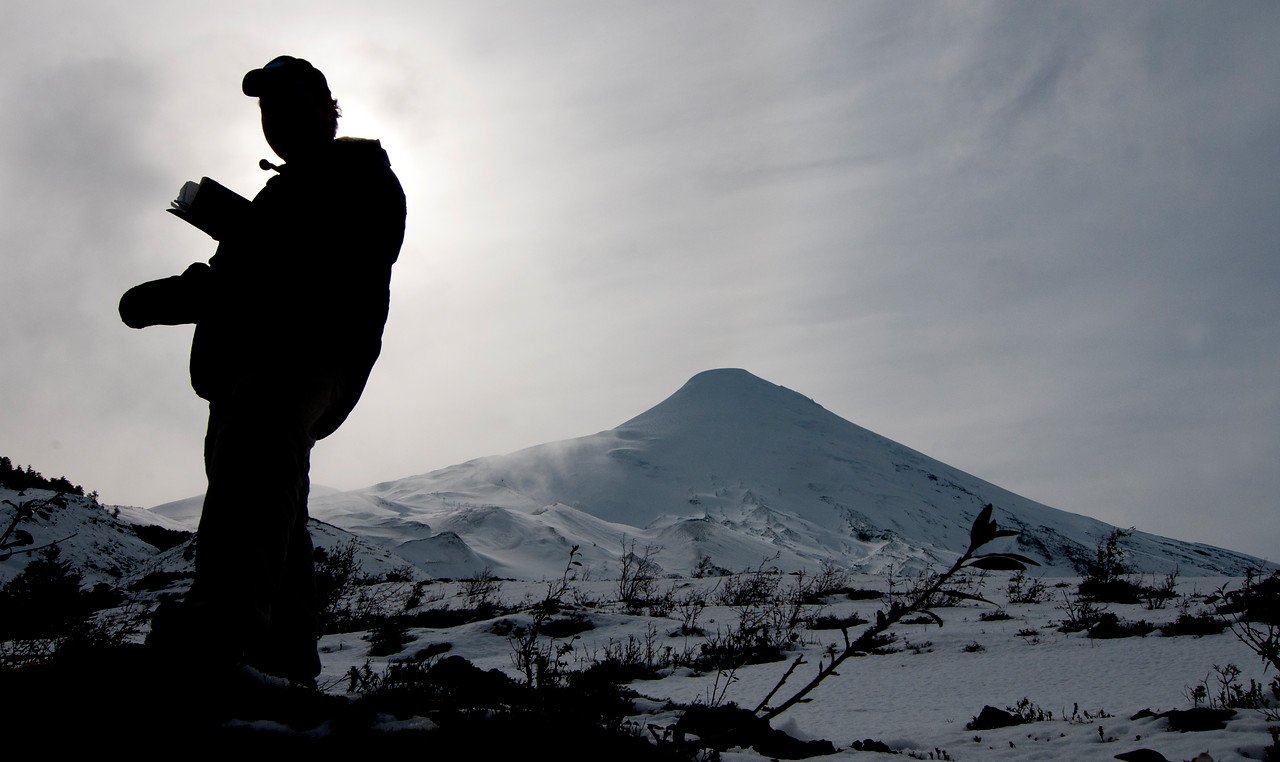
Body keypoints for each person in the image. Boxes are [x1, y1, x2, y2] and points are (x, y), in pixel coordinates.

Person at [120, 56, 406, 685]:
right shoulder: (283, 191)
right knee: (271, 501)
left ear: (327, 109)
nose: (275, 120)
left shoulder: (361, 176)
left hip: (304, 357)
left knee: (250, 478)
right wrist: (179, 292)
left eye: (291, 105)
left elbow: (329, 267)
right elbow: (236, 281)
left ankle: (219, 638)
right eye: (266, 110)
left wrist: (226, 255)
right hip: (250, 369)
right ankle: (283, 660)